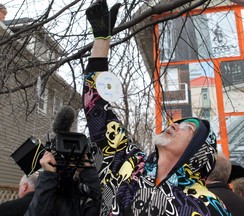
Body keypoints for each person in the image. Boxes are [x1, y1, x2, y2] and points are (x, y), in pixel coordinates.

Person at [83, 1, 231, 215]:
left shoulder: (206, 205)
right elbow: (94, 104)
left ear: (197, 153)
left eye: (188, 129)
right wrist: (101, 40)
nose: (175, 125)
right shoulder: (129, 164)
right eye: (179, 122)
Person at [24, 107, 101, 216]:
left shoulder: (83, 196)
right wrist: (48, 176)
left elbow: (108, 205)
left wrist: (87, 172)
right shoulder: (42, 197)